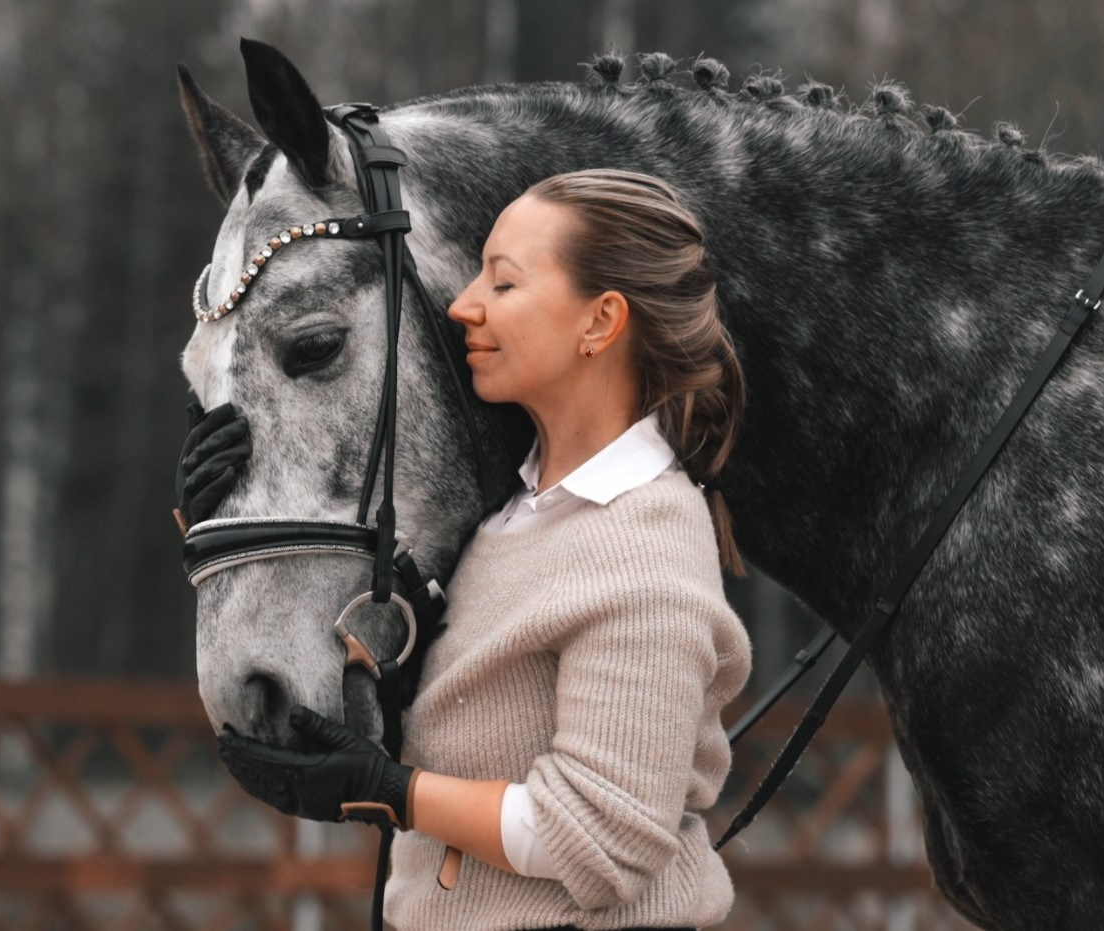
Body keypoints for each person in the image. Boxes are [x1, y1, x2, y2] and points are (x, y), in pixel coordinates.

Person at [181, 168, 753, 930]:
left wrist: (395, 792)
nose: (463, 305)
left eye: (503, 283)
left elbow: (604, 838)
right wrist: (215, 523)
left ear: (600, 321)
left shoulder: (641, 546)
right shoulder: (514, 514)